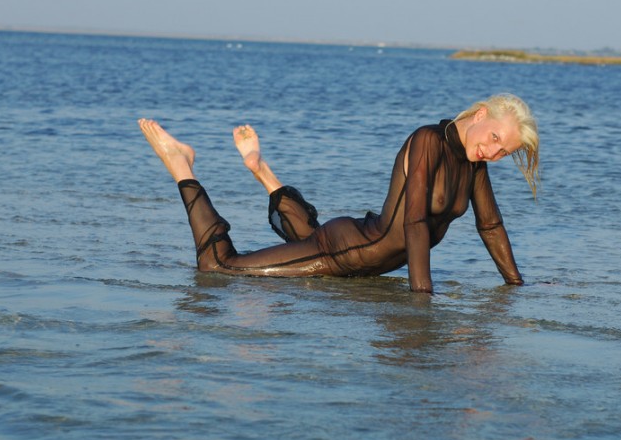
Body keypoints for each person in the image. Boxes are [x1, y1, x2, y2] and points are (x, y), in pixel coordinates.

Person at [138, 93, 539, 293]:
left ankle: (261, 170)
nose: (494, 152)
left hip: (357, 253)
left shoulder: (474, 164)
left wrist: (516, 288)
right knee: (219, 267)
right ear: (481, 115)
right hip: (340, 250)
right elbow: (414, 222)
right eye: (494, 139)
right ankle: (181, 162)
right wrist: (422, 300)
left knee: (308, 235)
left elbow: (491, 226)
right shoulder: (428, 141)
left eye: (504, 151)